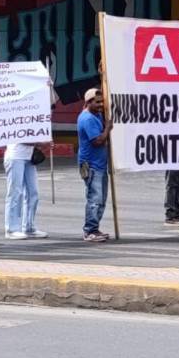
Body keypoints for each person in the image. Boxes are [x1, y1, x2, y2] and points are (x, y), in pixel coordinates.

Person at [78, 87, 112, 242]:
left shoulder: (96, 115)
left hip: (99, 164)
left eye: (101, 102)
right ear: (88, 102)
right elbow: (97, 141)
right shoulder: (88, 119)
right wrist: (107, 128)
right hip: (91, 165)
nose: (100, 105)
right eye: (97, 102)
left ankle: (95, 228)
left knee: (101, 199)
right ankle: (89, 230)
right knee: (95, 198)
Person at [4, 142, 48, 239]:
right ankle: (11, 229)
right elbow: (22, 138)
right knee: (15, 193)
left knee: (33, 193)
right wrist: (42, 143)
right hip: (15, 156)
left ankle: (29, 227)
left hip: (29, 156)